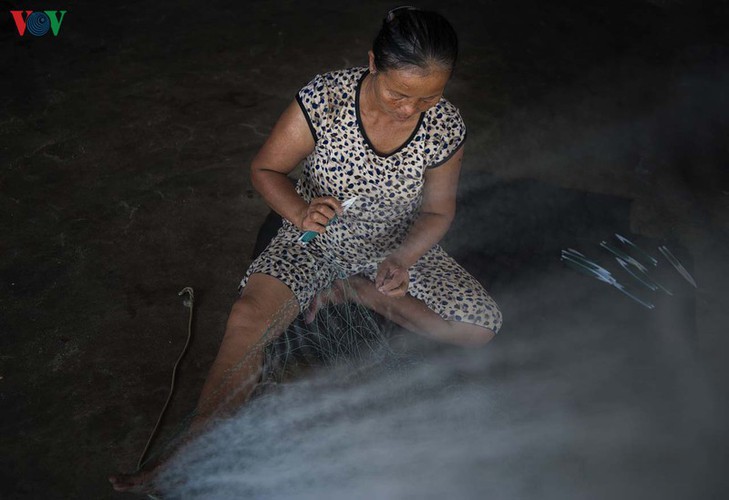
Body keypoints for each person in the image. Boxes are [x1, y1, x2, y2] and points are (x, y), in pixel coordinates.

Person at [110, 6, 502, 493]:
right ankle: (189, 454)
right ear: (373, 64)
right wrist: (298, 212)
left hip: (392, 246)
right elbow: (265, 170)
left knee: (479, 328)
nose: (409, 110)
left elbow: (438, 212)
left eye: (428, 97)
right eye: (399, 93)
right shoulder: (326, 98)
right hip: (315, 240)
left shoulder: (443, 125)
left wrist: (401, 261)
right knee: (247, 320)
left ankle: (364, 293)